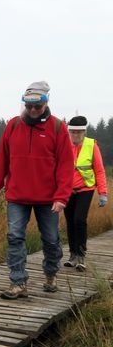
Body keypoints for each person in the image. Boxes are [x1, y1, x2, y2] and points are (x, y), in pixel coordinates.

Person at [0, 81, 74, 299]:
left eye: (38, 106)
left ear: (46, 103)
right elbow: (1, 159)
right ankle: (18, 283)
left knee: (51, 240)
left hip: (48, 198)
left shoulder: (57, 127)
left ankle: (51, 274)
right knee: (15, 237)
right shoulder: (13, 125)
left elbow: (66, 166)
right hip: (17, 196)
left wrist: (62, 197)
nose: (33, 110)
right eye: (29, 106)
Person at [63, 115, 108, 271]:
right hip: (67, 190)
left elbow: (100, 170)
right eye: (73, 132)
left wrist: (103, 193)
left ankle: (81, 256)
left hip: (85, 189)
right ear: (69, 132)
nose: (75, 135)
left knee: (79, 220)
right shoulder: (64, 145)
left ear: (84, 131)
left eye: (79, 132)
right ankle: (72, 254)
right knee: (70, 222)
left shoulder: (91, 145)